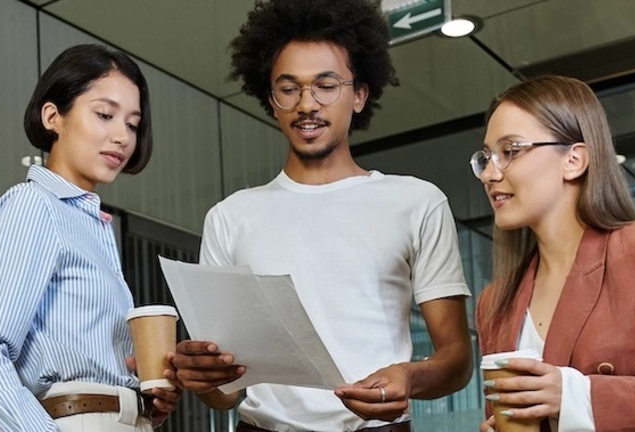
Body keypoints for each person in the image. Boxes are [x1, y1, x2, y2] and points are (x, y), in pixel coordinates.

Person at [169, 1, 474, 431]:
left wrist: (408, 376)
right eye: (288, 88)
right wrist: (202, 378)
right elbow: (226, 393)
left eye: (326, 85)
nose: (306, 104)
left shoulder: (417, 202)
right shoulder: (230, 217)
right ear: (271, 100)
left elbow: (457, 361)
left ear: (360, 95)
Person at [471, 75, 635, 432]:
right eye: (486, 157)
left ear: (574, 160)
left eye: (510, 151)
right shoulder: (494, 302)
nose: (489, 173)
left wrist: (578, 395)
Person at [0, 44, 181, 432]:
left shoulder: (90, 225)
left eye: (132, 123)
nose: (122, 136)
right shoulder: (33, 206)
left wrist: (145, 402)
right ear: (52, 116)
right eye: (104, 114)